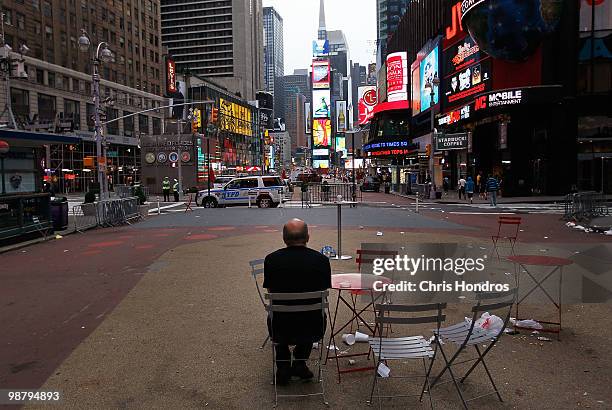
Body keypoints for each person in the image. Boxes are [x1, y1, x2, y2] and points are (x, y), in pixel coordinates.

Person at [263, 219, 331, 385]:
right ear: (307, 237)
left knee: (276, 314)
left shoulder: (271, 260)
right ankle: (300, 362)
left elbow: (271, 292)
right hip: (313, 326)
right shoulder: (322, 261)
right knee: (315, 314)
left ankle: (283, 366)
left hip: (281, 326)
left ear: (284, 239)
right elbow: (323, 295)